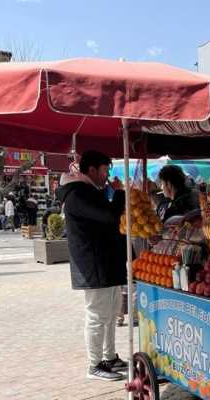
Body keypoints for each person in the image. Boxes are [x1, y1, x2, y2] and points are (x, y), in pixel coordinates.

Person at [56, 150, 128, 381]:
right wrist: (118, 195)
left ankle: (109, 356)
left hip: (105, 262)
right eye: (105, 170)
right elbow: (108, 217)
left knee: (111, 312)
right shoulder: (77, 193)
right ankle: (95, 363)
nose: (107, 176)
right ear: (92, 170)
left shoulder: (89, 190)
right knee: (97, 315)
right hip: (93, 264)